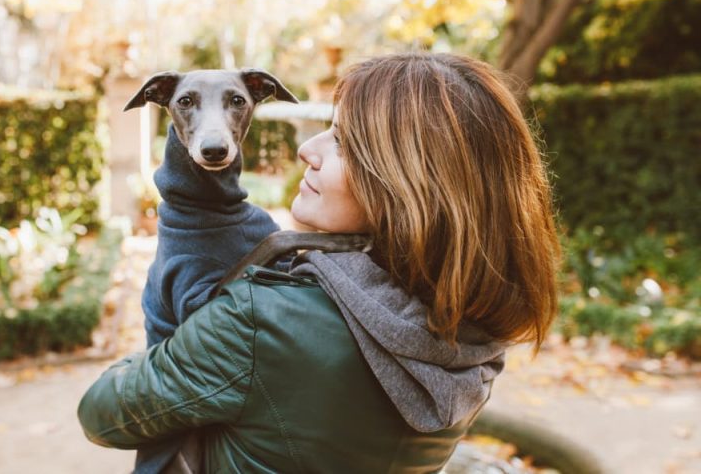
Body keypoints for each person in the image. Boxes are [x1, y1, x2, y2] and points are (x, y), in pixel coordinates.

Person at [78, 52, 561, 473]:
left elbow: (101, 414)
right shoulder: (477, 330)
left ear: (409, 187)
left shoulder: (259, 320)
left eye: (343, 141)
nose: (307, 149)